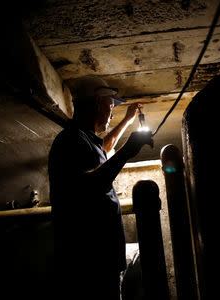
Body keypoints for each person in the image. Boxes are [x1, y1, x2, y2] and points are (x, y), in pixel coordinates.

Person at [48, 75, 153, 299]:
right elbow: (87, 186)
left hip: (100, 260)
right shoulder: (70, 140)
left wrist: (126, 121)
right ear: (97, 102)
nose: (112, 110)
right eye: (111, 104)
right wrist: (128, 151)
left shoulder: (84, 139)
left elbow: (106, 147)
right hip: (90, 263)